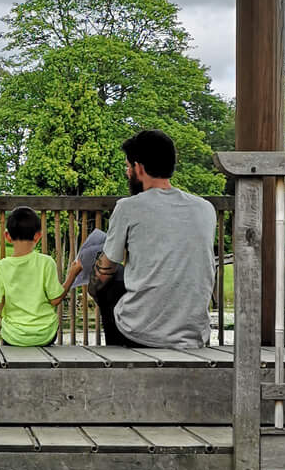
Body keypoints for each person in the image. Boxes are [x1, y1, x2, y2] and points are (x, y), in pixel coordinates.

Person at [92, 128, 217, 350]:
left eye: (128, 166)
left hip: (138, 334)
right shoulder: (205, 208)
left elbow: (107, 268)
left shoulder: (128, 207)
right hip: (194, 336)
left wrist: (93, 281)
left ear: (139, 167)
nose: (127, 172)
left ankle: (119, 353)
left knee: (104, 278)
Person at [0, 206, 63, 347]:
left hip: (13, 337)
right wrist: (72, 275)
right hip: (45, 335)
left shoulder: (0, 267)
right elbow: (55, 300)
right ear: (38, 236)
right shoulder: (47, 262)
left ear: (7, 236)